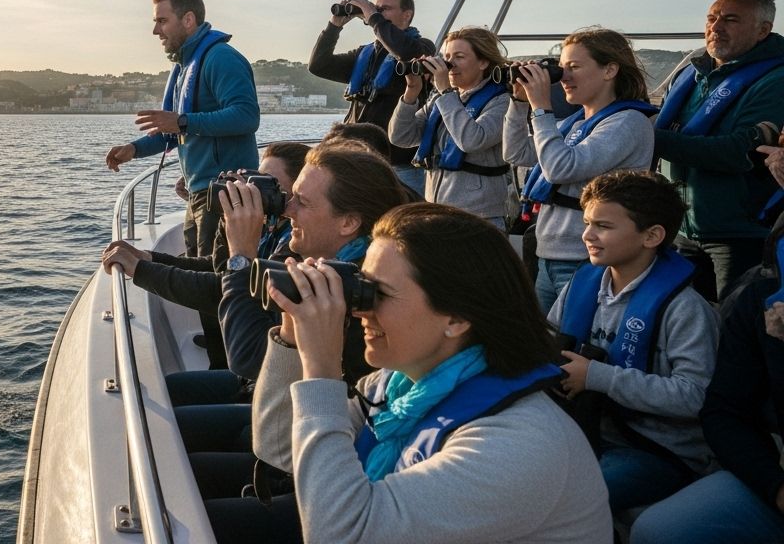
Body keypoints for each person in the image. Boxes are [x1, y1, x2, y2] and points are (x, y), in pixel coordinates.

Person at [249, 203, 611, 543]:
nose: (360, 310)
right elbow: (280, 449)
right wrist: (292, 339)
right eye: (363, 286)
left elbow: (341, 535)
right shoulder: (402, 385)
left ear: (455, 318)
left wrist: (322, 371)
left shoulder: (519, 445)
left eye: (380, 294)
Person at [197, 145, 407, 531]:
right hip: (297, 439)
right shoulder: (319, 266)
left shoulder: (356, 295)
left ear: (348, 222)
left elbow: (244, 357)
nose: (287, 208)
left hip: (329, 471)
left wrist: (242, 254)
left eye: (302, 202)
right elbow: (276, 443)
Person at [548, 171, 718, 514]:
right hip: (585, 429)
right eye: (587, 223)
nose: (587, 235)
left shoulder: (685, 309)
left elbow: (695, 396)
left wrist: (597, 376)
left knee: (569, 503)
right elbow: (550, 341)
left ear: (652, 235)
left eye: (603, 226)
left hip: (658, 450)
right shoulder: (581, 286)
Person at [629, 179, 784, 542]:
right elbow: (725, 410)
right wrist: (774, 485)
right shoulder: (760, 298)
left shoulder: (687, 310)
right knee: (657, 530)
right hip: (775, 475)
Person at [100, 141, 308, 375]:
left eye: (271, 184)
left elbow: (221, 289)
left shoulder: (296, 243)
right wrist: (149, 257)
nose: (257, 191)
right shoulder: (272, 227)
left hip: (259, 371)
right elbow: (221, 269)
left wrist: (141, 270)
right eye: (259, 181)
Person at [503, 27, 658, 312]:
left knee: (572, 345)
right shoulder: (574, 124)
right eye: (561, 68)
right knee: (548, 344)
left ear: (610, 70)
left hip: (585, 259)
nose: (565, 77)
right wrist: (519, 102)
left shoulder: (628, 122)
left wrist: (541, 108)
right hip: (548, 253)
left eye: (574, 67)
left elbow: (561, 168)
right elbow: (516, 152)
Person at [106, 0, 260, 259]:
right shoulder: (183, 67)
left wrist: (183, 122)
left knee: (213, 286)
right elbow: (174, 128)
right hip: (199, 194)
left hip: (224, 195)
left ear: (188, 20)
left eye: (162, 21)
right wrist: (134, 149)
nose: (155, 31)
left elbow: (246, 117)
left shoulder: (221, 58)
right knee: (195, 272)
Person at [655, 0, 784, 300]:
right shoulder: (693, 75)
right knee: (686, 330)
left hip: (739, 235)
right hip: (684, 230)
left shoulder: (776, 80)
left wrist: (646, 137)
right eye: (712, 18)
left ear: (763, 30)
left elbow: (735, 151)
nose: (715, 27)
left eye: (730, 20)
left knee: (730, 333)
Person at [308, 0, 435, 191]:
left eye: (385, 9)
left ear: (407, 14)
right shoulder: (363, 54)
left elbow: (405, 51)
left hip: (400, 165)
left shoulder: (422, 48)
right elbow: (319, 65)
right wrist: (334, 26)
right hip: (358, 161)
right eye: (377, 8)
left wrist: (373, 16)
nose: (378, 13)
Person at [389, 25, 513, 228]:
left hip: (480, 218)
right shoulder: (441, 99)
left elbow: (472, 140)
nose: (449, 64)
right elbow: (400, 137)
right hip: (436, 211)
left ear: (483, 62)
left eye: (459, 57)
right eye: (447, 56)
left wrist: (446, 91)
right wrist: (411, 91)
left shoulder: (502, 101)